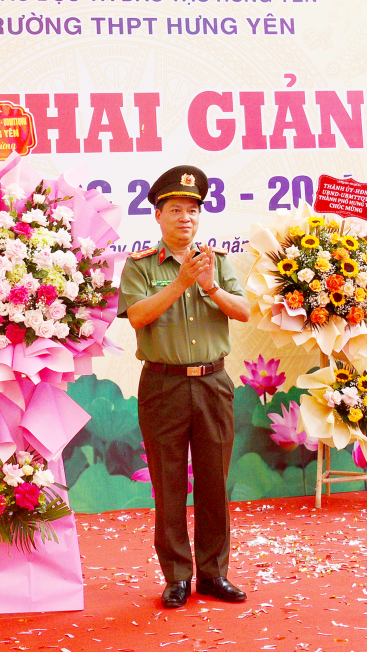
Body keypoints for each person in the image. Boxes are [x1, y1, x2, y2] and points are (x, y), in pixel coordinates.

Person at [116, 166, 251, 609]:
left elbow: (243, 311)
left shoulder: (218, 261)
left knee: (214, 483)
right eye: (175, 210)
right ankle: (176, 576)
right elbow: (138, 316)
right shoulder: (140, 265)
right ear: (158, 216)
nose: (185, 218)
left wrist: (210, 287)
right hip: (163, 385)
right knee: (169, 485)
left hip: (213, 382)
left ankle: (213, 574)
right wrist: (181, 283)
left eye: (192, 210)